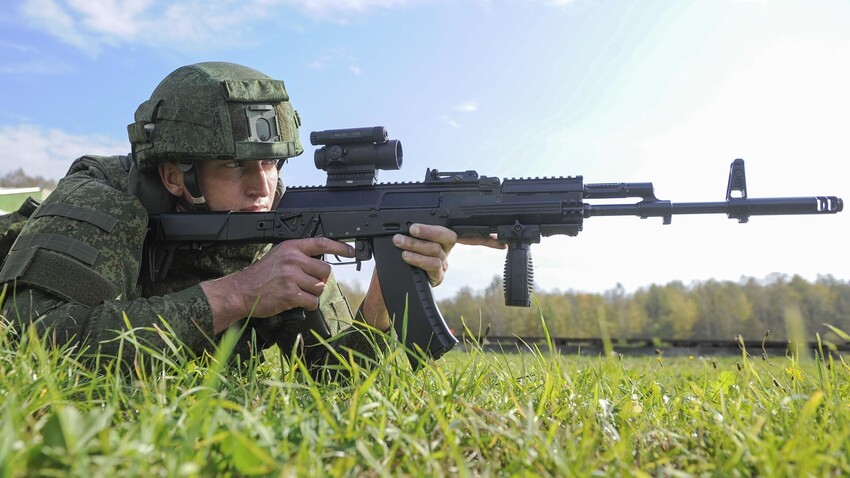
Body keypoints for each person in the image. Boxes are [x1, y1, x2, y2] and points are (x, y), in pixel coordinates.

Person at [0, 62, 501, 369]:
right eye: (235, 165)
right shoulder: (104, 197)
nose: (262, 187)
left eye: (270, 162)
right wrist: (239, 294)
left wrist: (386, 292)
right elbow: (34, 340)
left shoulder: (285, 223)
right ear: (177, 176)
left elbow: (332, 375)